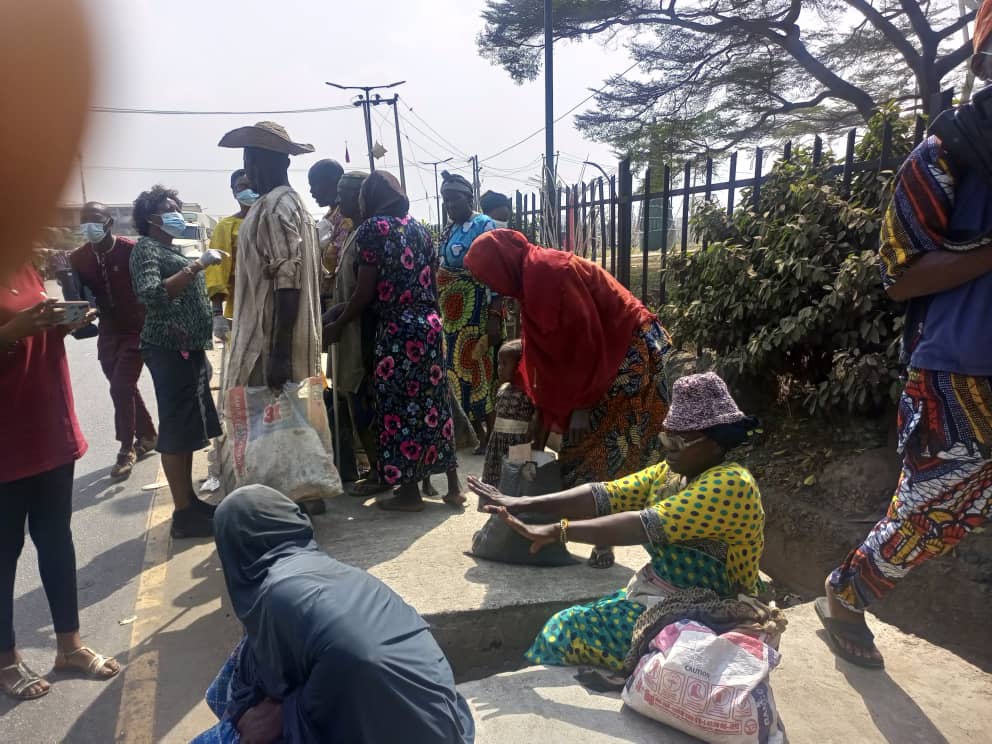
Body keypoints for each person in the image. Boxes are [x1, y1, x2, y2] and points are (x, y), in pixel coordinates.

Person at [818, 6, 992, 670]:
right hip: (960, 370)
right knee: (935, 508)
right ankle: (846, 591)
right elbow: (900, 275)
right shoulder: (945, 154)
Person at [469, 372, 763, 672]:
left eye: (679, 441)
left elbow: (644, 524)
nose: (668, 449)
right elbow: (605, 494)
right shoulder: (672, 473)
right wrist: (521, 502)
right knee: (570, 622)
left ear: (716, 443)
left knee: (566, 631)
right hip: (663, 598)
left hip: (711, 614)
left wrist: (556, 530)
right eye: (665, 438)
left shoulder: (731, 484)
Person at [193, 485, 476, 743]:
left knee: (240, 709)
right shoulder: (327, 568)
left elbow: (271, 694)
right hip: (446, 727)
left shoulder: (274, 593)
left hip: (382, 729)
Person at [465, 229, 673, 570]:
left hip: (625, 355)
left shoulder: (551, 273)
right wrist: (542, 417)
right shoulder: (530, 282)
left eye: (487, 274)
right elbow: (546, 355)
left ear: (501, 264)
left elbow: (586, 338)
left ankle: (604, 538)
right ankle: (593, 533)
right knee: (579, 454)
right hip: (599, 364)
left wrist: (583, 404)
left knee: (606, 453)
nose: (490, 285)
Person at [1, 261, 120, 701]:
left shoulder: (25, 265)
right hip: (5, 438)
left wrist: (61, 325)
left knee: (56, 539)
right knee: (3, 550)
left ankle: (69, 646)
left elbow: (34, 333)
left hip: (49, 425)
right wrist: (13, 332)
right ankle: (6, 660)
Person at [325, 172, 463, 512]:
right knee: (435, 405)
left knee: (399, 410)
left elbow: (366, 291)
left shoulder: (373, 229)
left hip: (397, 331)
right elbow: (429, 283)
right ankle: (453, 487)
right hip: (429, 327)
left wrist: (339, 324)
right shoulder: (419, 229)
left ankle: (411, 493)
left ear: (371, 196)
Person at [218, 122, 329, 514]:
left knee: (269, 423)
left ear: (268, 160)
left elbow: (288, 281)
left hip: (267, 341)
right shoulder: (289, 204)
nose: (247, 170)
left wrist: (277, 350)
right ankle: (298, 494)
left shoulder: (278, 206)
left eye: (250, 159)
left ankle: (284, 499)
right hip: (274, 336)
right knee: (289, 421)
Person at [130, 185, 224, 538]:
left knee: (187, 429)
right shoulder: (146, 249)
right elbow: (152, 295)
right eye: (169, 209)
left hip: (188, 350)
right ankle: (183, 513)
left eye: (177, 208)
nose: (176, 215)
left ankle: (190, 503)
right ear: (150, 217)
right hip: (169, 349)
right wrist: (197, 266)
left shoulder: (168, 248)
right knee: (174, 428)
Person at [70, 201, 158, 479]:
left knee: (121, 386)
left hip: (137, 329)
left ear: (109, 222)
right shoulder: (78, 258)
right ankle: (148, 435)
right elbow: (78, 296)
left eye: (95, 219)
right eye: (84, 221)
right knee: (123, 385)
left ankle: (126, 448)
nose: (89, 226)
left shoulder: (131, 250)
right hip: (108, 331)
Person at [437, 171, 500, 454]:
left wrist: (495, 313)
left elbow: (494, 269)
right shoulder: (449, 230)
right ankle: (473, 434)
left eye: (455, 199)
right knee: (456, 374)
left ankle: (492, 436)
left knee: (478, 372)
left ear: (469, 198)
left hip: (475, 313)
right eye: (445, 200)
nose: (450, 205)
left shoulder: (483, 225)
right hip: (451, 319)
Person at [204, 169, 259, 340]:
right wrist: (217, 314)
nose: (248, 191)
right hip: (240, 303)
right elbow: (217, 272)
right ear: (234, 192)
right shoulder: (226, 226)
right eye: (242, 187)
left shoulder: (270, 220)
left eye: (252, 186)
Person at [481, 340, 537, 486]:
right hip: (497, 443)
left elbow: (536, 419)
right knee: (494, 478)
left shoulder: (528, 392)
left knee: (515, 480)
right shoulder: (502, 389)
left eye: (505, 364)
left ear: (520, 366)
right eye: (499, 363)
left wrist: (533, 443)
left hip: (518, 444)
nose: (500, 368)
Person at [308, 159, 347, 302]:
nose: (311, 191)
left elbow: (336, 258)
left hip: (340, 295)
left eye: (314, 184)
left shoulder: (345, 215)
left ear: (330, 183)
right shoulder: (331, 215)